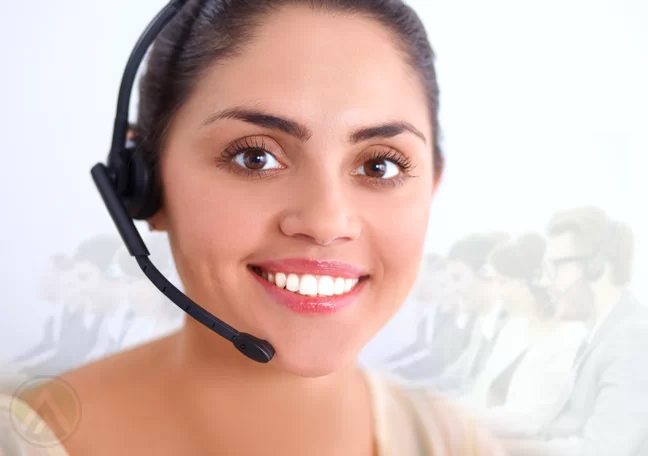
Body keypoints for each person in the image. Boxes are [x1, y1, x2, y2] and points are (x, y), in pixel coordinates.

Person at [0, 1, 506, 455]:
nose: (326, 222)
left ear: (432, 188)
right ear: (142, 185)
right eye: (255, 156)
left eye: (380, 166)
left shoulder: (460, 443)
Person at [503, 207, 648, 456]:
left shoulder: (632, 339)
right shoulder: (600, 335)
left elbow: (602, 451)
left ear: (595, 267)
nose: (546, 282)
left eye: (555, 268)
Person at [463, 234, 590, 437]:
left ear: (535, 282)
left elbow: (530, 418)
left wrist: (459, 423)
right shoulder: (514, 328)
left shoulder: (571, 338)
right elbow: (481, 391)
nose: (498, 293)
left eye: (503, 282)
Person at [384, 233, 508, 384]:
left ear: (486, 275)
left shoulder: (509, 328)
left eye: (458, 278)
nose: (452, 289)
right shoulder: (480, 324)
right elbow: (457, 377)